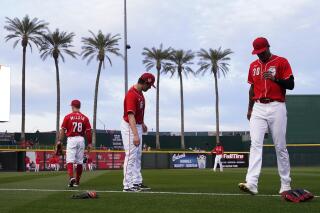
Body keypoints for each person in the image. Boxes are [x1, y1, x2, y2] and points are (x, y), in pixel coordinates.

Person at [239, 37, 295, 195]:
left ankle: (285, 184)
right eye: (257, 53)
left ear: (268, 47)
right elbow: (252, 89)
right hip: (258, 107)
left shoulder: (281, 61)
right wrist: (250, 109)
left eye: (262, 52)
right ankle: (252, 183)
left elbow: (291, 85)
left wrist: (275, 79)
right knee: (255, 145)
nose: (260, 55)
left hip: (276, 106)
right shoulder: (253, 66)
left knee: (280, 147)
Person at [121, 73, 154, 192]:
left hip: (138, 125)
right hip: (130, 126)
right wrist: (135, 134)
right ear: (145, 83)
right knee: (131, 155)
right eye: (149, 85)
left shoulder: (140, 94)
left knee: (137, 155)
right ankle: (127, 185)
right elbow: (131, 116)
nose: (150, 88)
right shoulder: (131, 94)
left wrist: (143, 123)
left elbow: (139, 113)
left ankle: (136, 182)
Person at [56, 100, 92, 187]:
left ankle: (72, 178)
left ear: (72, 106)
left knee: (70, 160)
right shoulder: (85, 118)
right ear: (79, 106)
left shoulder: (68, 117)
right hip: (81, 140)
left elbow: (63, 130)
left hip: (72, 139)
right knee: (79, 162)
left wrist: (60, 141)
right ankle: (77, 182)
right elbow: (88, 132)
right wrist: (90, 143)